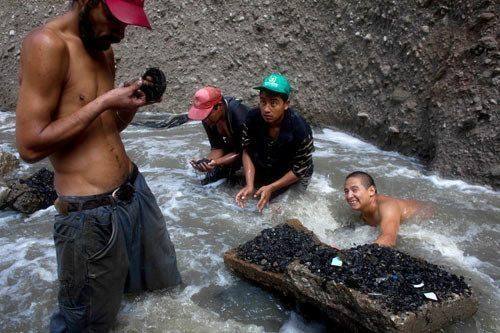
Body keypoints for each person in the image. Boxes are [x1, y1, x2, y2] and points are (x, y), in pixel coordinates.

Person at [15, 0, 181, 331]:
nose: (121, 32)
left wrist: (131, 105)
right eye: (114, 18)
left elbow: (104, 129)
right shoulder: (47, 45)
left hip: (135, 193)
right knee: (86, 324)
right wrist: (104, 101)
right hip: (89, 215)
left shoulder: (104, 50)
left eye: (127, 22)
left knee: (163, 294)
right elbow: (29, 146)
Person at [235, 73, 314, 213]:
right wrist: (250, 184)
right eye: (263, 101)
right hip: (270, 163)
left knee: (282, 211)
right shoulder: (252, 118)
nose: (266, 109)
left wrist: (272, 187)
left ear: (286, 104)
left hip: (295, 173)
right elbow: (247, 151)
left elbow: (300, 169)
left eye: (273, 103)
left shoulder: (300, 129)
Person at [343, 171, 432, 247]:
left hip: (428, 214)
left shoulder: (388, 207)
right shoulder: (362, 209)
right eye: (346, 191)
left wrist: (356, 254)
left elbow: (389, 238)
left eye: (354, 190)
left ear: (371, 191)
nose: (349, 196)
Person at [188, 86, 250, 185]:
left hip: (252, 149)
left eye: (207, 116)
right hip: (235, 148)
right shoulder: (208, 119)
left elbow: (244, 152)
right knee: (208, 179)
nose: (205, 120)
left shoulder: (239, 116)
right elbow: (217, 147)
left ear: (219, 106)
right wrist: (206, 163)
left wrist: (216, 162)